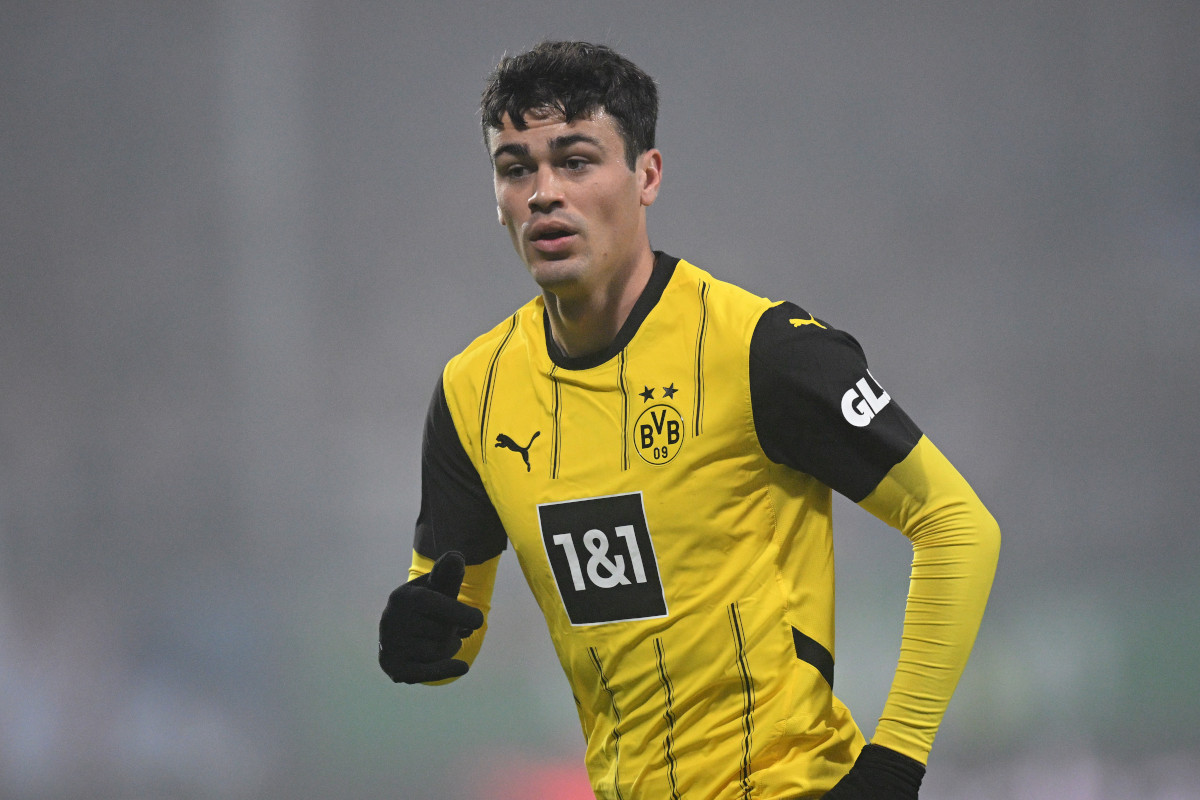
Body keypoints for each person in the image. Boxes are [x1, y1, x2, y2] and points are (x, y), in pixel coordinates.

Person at [378, 40, 1000, 800]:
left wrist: (895, 764)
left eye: (575, 161)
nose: (544, 193)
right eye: (516, 168)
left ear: (647, 176)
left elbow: (957, 524)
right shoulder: (472, 392)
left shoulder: (762, 351)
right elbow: (451, 616)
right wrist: (419, 637)